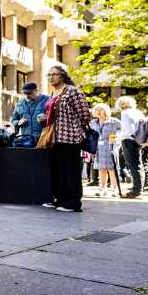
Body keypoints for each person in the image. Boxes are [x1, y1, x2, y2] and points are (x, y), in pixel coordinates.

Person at [42, 66, 91, 211]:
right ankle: (61, 199)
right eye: (49, 74)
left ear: (63, 76)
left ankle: (74, 203)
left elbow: (85, 114)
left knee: (71, 170)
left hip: (70, 137)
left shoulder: (72, 91)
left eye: (54, 74)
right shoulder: (53, 93)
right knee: (57, 170)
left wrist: (73, 126)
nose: (51, 77)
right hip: (54, 137)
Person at [115, 96, 146, 199]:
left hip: (129, 141)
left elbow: (128, 131)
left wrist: (118, 138)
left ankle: (136, 190)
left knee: (133, 165)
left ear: (122, 105)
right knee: (138, 165)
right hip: (138, 140)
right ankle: (138, 188)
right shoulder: (138, 112)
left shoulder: (125, 113)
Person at [89, 103, 121, 197]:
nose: (97, 112)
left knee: (111, 169)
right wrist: (91, 149)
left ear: (105, 111)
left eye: (100, 110)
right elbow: (90, 135)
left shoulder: (114, 121)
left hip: (110, 147)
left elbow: (123, 130)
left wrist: (116, 137)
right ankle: (102, 189)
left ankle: (115, 189)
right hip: (98, 148)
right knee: (101, 169)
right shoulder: (93, 123)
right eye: (96, 110)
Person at [11, 82, 49, 147]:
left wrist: (46, 118)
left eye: (29, 93)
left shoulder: (47, 100)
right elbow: (14, 119)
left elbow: (56, 118)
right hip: (26, 141)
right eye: (24, 93)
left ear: (36, 91)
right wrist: (18, 122)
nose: (26, 96)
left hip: (43, 140)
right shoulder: (19, 104)